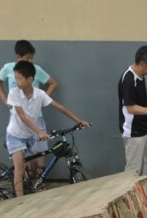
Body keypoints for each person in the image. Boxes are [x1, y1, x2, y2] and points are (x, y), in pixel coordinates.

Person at [6, 61, 89, 196]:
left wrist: (79, 120)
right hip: (16, 135)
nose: (16, 81)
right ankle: (19, 202)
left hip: (30, 135)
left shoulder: (40, 94)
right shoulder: (14, 93)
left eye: (19, 78)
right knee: (19, 170)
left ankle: (31, 188)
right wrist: (39, 131)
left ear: (29, 79)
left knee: (34, 167)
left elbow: (59, 107)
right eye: (15, 78)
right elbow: (22, 117)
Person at [118, 45, 147, 191]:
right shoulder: (128, 79)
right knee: (134, 168)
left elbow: (141, 102)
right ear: (143, 63)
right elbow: (130, 107)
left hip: (146, 128)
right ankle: (129, 194)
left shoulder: (141, 76)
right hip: (133, 131)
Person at [0, 40, 56, 107]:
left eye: (32, 58)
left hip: (35, 116)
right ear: (18, 57)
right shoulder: (8, 68)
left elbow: (53, 83)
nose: (31, 61)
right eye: (28, 58)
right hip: (15, 115)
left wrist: (42, 101)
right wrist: (5, 100)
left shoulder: (36, 69)